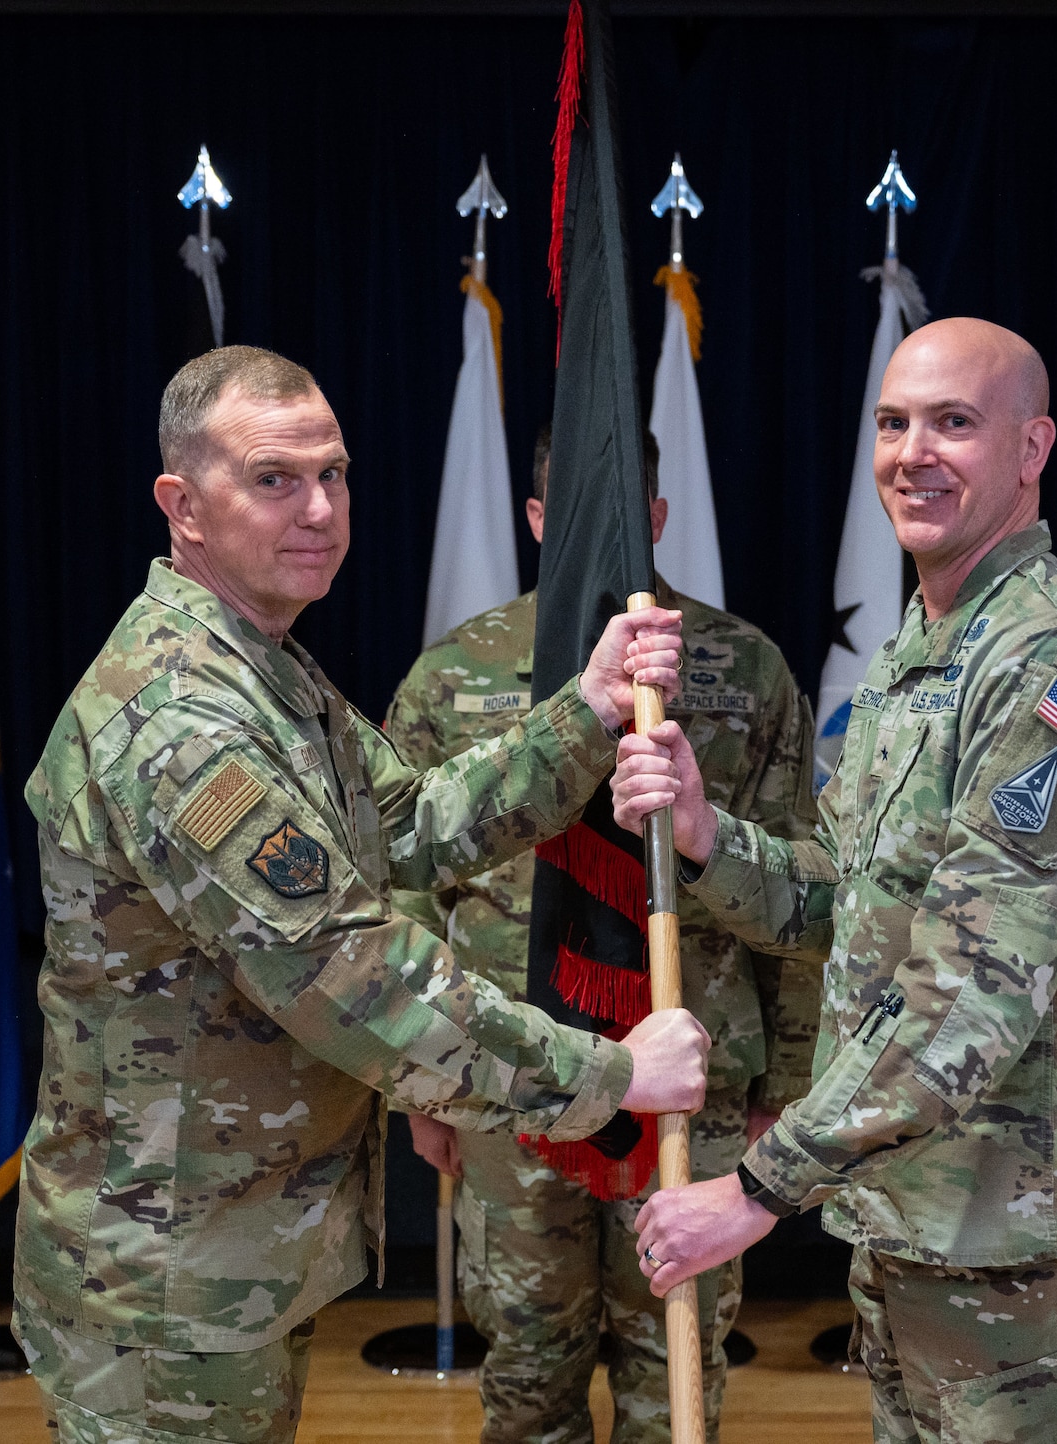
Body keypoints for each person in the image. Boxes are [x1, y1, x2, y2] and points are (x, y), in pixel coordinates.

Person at [12, 346, 711, 1444]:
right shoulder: (184, 720)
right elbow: (354, 976)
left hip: (227, 1249)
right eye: (274, 479)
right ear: (181, 505)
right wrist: (610, 1076)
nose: (319, 508)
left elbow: (404, 824)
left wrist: (581, 711)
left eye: (332, 475)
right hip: (166, 1274)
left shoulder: (262, 669)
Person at [613, 319, 1057, 1444]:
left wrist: (755, 1190)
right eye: (892, 423)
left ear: (1031, 448)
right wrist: (701, 834)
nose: (911, 453)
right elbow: (852, 899)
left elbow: (972, 989)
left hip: (1030, 1253)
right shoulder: (925, 653)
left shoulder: (1051, 662)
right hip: (918, 1221)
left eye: (953, 423)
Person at [387, 427, 821, 1444]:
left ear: (659, 519)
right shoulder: (456, 675)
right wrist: (415, 1084)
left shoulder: (742, 668)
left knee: (672, 1366)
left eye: (629, 519)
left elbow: (804, 885)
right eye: (573, 519)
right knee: (527, 1370)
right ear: (536, 522)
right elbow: (402, 886)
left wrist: (783, 1089)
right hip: (508, 1080)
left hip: (693, 1080)